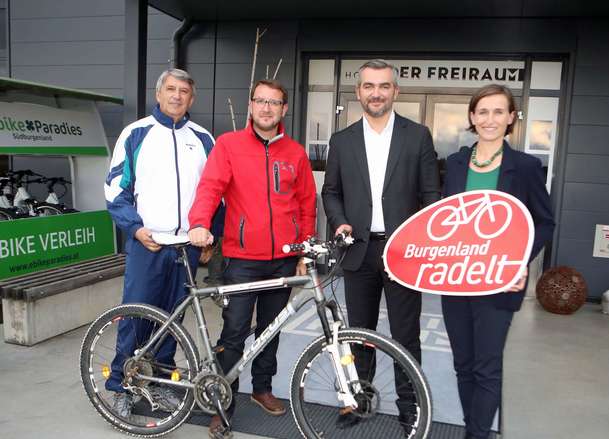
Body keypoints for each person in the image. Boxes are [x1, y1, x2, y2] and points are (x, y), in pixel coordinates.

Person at [188, 79, 317, 439]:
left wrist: (304, 249)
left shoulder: (295, 152)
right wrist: (199, 224)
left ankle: (262, 389)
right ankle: (221, 405)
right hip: (242, 258)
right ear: (251, 105)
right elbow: (210, 187)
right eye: (260, 101)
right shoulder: (229, 145)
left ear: (284, 109)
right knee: (234, 331)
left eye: (274, 102)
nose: (266, 108)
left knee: (271, 330)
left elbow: (307, 204)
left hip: (283, 259)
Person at [321, 59, 440, 434]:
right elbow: (332, 191)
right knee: (360, 333)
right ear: (358, 93)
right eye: (369, 86)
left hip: (402, 251)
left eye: (384, 86)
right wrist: (339, 220)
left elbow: (430, 195)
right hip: (358, 251)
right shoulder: (341, 140)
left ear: (395, 91)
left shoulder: (417, 136)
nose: (376, 93)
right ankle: (360, 401)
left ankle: (410, 408)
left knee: (406, 336)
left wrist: (422, 244)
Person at [440, 84, 555, 439]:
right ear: (473, 117)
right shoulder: (456, 163)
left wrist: (520, 262)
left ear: (511, 118)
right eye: (483, 112)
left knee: (487, 367)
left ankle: (476, 435)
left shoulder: (525, 167)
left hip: (499, 280)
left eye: (498, 112)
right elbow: (443, 220)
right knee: (463, 365)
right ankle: (472, 427)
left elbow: (544, 221)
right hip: (457, 279)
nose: (490, 119)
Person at [104, 68, 220, 418]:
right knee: (135, 319)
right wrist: (136, 229)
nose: (176, 96)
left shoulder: (203, 138)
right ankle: (121, 388)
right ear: (158, 94)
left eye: (184, 91)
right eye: (170, 89)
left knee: (173, 322)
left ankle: (161, 384)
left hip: (186, 248)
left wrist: (213, 236)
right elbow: (114, 190)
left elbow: (215, 193)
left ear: (192, 98)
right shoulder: (136, 133)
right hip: (147, 245)